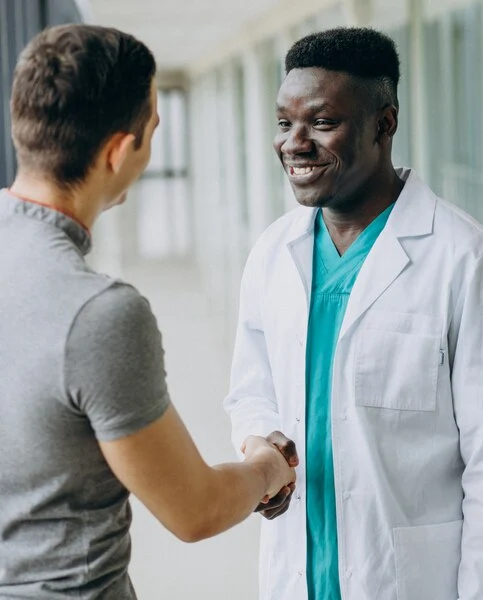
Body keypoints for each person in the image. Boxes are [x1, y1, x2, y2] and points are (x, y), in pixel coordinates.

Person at [223, 27, 483, 600]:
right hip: (298, 569)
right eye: (284, 123)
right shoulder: (272, 252)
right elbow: (250, 389)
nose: (294, 143)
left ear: (384, 124)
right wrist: (260, 442)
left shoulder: (466, 259)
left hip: (409, 581)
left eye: (321, 122)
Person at [0, 25, 296, 600]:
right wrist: (268, 465)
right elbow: (196, 510)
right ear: (118, 152)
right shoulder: (98, 315)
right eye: (152, 130)